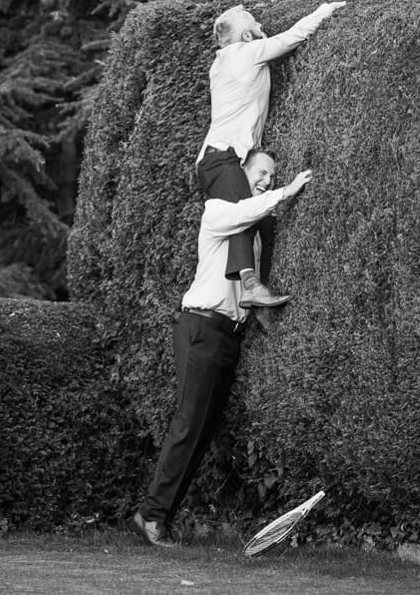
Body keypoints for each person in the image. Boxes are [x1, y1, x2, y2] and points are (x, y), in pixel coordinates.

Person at [129, 149, 313, 547]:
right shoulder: (218, 210)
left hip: (227, 336)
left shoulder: (251, 232)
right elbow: (246, 209)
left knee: (201, 430)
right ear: (240, 173)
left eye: (272, 175)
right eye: (260, 171)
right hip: (202, 327)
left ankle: (157, 516)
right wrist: (288, 189)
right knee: (188, 424)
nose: (265, 178)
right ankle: (151, 515)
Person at [196, 1, 345, 308]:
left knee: (263, 226)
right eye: (256, 25)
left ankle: (259, 300)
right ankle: (251, 286)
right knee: (244, 215)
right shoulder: (243, 54)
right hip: (221, 159)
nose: (263, 28)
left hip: (218, 160)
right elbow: (291, 38)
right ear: (247, 38)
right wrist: (325, 10)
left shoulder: (224, 61)